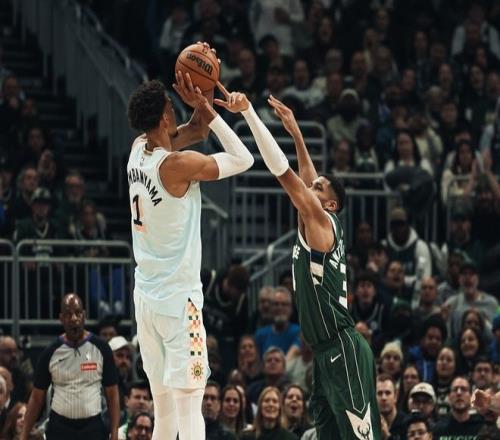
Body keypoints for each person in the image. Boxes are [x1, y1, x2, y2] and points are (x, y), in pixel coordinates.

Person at [215, 86, 381, 438]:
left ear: (330, 205)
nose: (310, 188)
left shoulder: (321, 221)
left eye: (318, 189)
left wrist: (249, 114)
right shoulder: (317, 221)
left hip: (343, 347)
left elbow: (284, 172)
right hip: (324, 351)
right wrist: (297, 134)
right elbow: (307, 177)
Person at [127, 72, 254, 440]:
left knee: (164, 415)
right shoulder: (177, 166)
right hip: (178, 305)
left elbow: (196, 130)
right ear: (165, 116)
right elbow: (243, 158)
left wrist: (204, 94)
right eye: (172, 106)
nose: (176, 110)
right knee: (190, 410)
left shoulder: (138, 148)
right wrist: (210, 111)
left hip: (147, 301)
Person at [20, 293, 120, 440]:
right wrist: (23, 435)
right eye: (68, 314)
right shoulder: (50, 352)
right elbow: (36, 398)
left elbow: (112, 394)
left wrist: (115, 433)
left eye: (78, 313)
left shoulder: (101, 348)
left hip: (92, 427)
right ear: (61, 318)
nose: (74, 318)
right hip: (60, 428)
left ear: (84, 316)